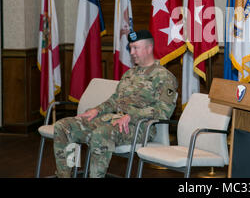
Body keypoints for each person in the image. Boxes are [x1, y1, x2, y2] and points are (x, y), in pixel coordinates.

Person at [53, 29, 178, 178]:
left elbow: (163, 112)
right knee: (64, 127)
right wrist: (97, 110)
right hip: (113, 121)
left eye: (135, 48)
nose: (131, 52)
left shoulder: (164, 77)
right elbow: (115, 100)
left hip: (140, 127)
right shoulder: (129, 74)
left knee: (101, 134)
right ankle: (66, 174)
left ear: (149, 48)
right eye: (130, 48)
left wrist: (132, 115)